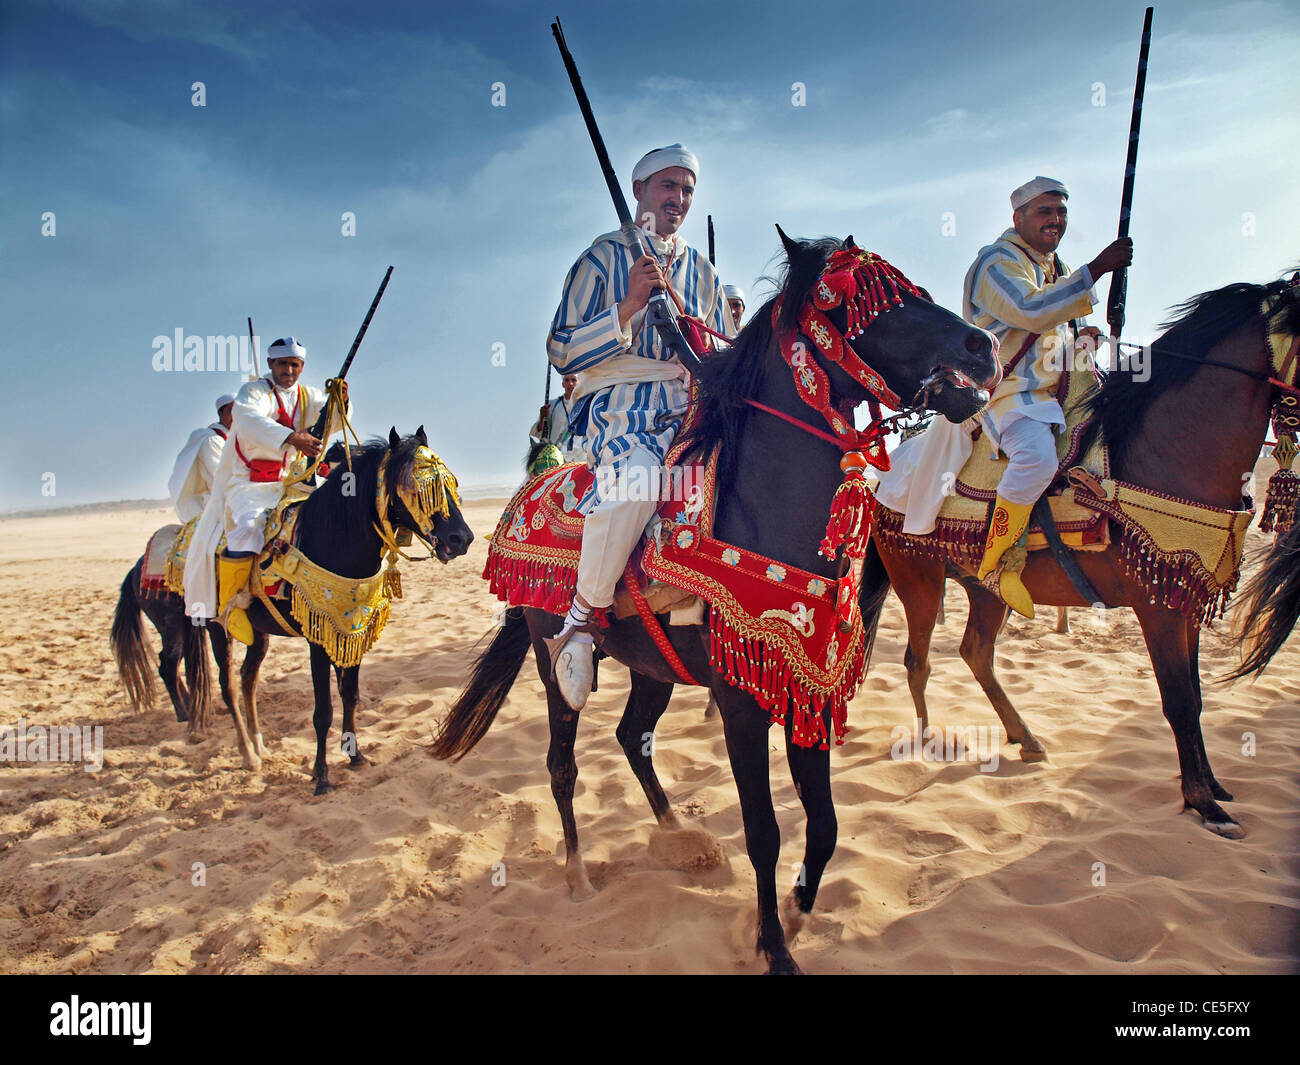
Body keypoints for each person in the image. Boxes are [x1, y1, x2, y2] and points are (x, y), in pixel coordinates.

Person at [875, 176, 1132, 619]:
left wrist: (1080, 337)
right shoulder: (997, 263)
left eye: (1061, 212)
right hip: (1006, 395)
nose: (1055, 220)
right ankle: (998, 562)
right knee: (1036, 460)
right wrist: (1097, 269)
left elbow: (1052, 330)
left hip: (1057, 394)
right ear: (1018, 218)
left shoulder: (1055, 267)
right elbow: (1030, 310)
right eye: (1044, 212)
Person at [545, 143, 732, 710]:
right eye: (667, 187)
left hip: (691, 405)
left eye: (687, 189)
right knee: (639, 483)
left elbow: (728, 347)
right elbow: (559, 348)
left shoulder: (703, 271)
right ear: (640, 192)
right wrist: (625, 306)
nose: (678, 199)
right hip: (622, 404)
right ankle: (580, 623)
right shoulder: (601, 258)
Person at [183, 337, 350, 644]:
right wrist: (291, 438)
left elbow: (332, 424)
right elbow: (249, 421)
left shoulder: (309, 394)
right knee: (247, 528)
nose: (289, 370)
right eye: (283, 364)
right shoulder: (254, 392)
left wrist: (341, 403)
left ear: (302, 367)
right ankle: (234, 603)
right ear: (272, 364)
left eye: (295, 365)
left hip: (293, 481)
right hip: (251, 484)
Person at [168, 394, 234, 523]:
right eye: (232, 412)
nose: (237, 417)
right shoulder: (212, 441)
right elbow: (222, 479)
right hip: (214, 505)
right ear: (220, 412)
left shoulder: (234, 438)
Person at [530, 373, 586, 461]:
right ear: (563, 384)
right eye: (567, 380)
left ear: (579, 382)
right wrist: (542, 417)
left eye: (573, 380)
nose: (570, 383)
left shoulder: (586, 405)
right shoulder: (552, 405)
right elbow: (539, 433)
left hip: (580, 457)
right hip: (556, 458)